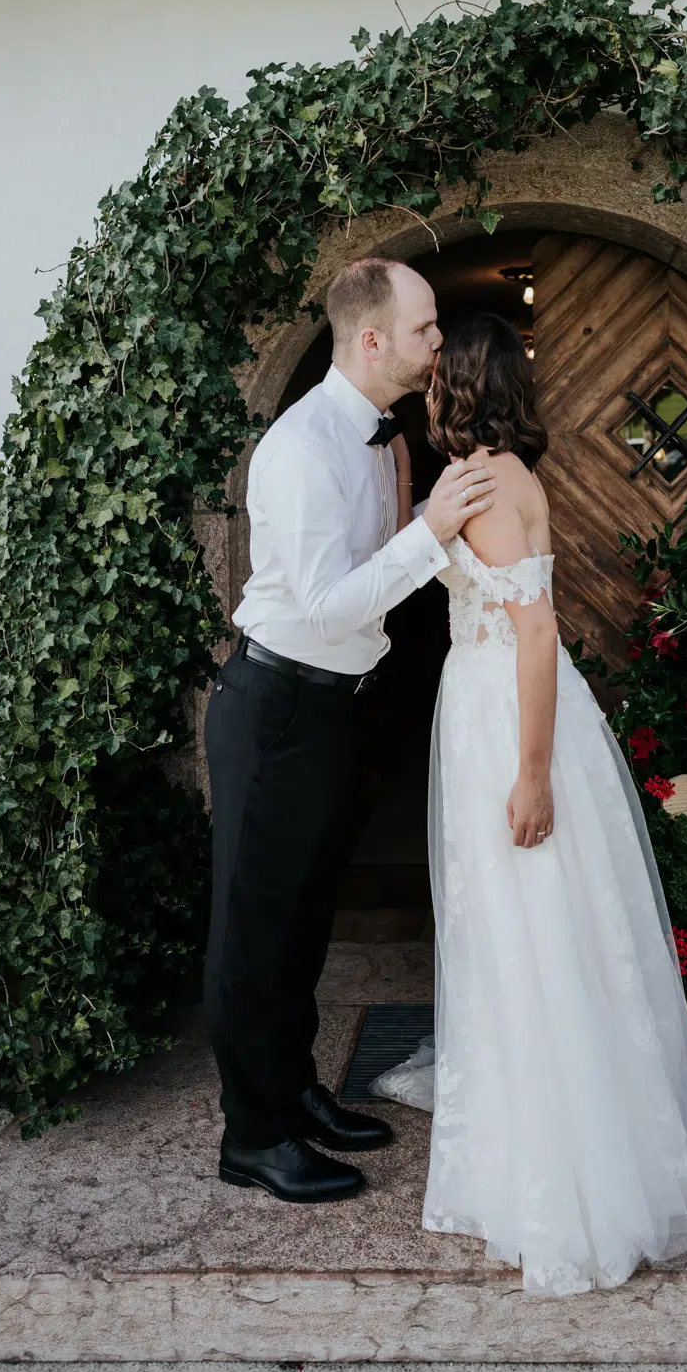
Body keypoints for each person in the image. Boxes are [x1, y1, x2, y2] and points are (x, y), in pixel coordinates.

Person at [377, 312, 687, 1295]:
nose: (428, 379)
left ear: (467, 383)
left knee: (528, 924)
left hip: (510, 710)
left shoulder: (490, 482)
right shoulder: (491, 473)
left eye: (439, 370)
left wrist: (531, 774)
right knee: (531, 927)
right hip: (494, 699)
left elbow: (535, 636)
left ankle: (563, 1172)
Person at [203, 257, 496, 1205]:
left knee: (302, 922)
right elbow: (326, 607)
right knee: (255, 933)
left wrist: (422, 522)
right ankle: (252, 1138)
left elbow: (370, 575)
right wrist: (433, 533)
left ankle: (293, 1094)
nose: (437, 343)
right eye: (425, 329)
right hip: (277, 704)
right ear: (371, 340)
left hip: (333, 704)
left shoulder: (380, 441)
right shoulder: (301, 448)